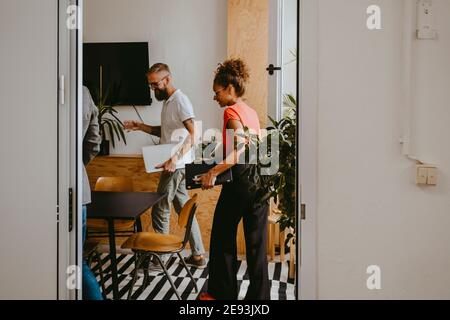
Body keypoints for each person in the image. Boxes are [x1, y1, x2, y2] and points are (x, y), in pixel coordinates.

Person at [198, 58, 270, 300]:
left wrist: (212, 172)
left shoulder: (231, 111)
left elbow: (241, 148)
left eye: (216, 92)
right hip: (260, 180)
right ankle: (260, 300)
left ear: (229, 88)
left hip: (240, 181)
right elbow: (255, 148)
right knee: (257, 245)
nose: (215, 97)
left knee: (222, 236)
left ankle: (222, 294)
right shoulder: (251, 112)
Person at [124, 63, 206, 268]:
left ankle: (161, 259)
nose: (153, 89)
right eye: (150, 85)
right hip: (176, 164)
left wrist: (174, 159)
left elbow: (194, 133)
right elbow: (167, 131)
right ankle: (198, 255)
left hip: (176, 165)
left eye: (155, 84)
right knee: (183, 207)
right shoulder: (169, 101)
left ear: (167, 79)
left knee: (160, 208)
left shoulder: (180, 101)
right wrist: (141, 127)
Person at [82, 86, 104, 300]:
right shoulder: (84, 93)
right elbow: (94, 143)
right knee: (75, 258)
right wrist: (77, 167)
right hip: (78, 192)